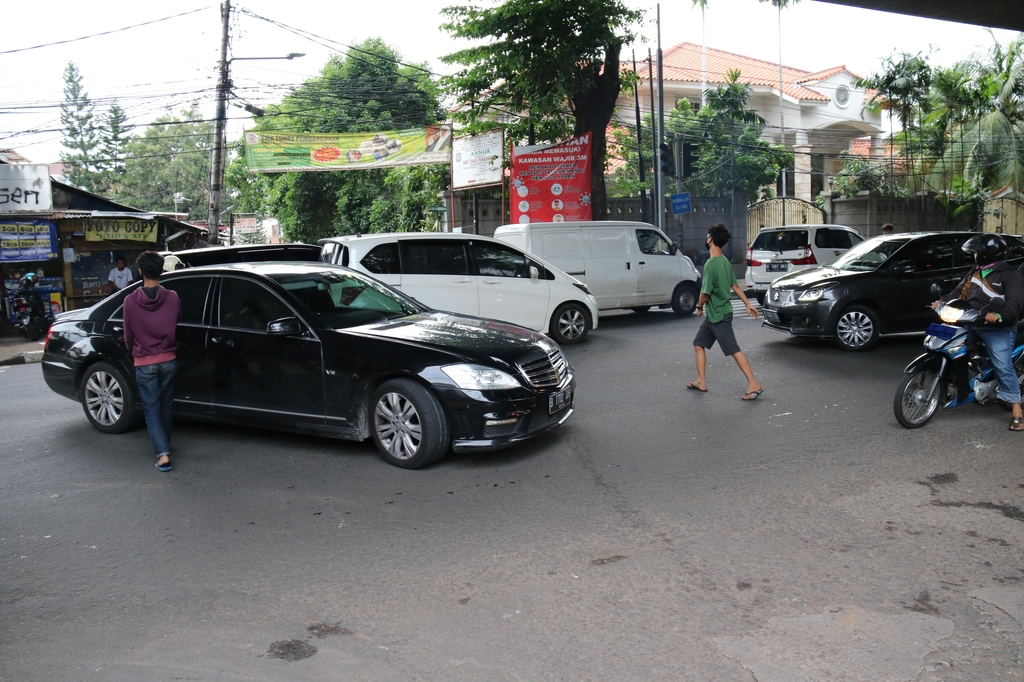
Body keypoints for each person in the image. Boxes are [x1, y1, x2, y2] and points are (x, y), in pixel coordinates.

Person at [937, 234, 1024, 430]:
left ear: (987, 254)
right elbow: (959, 292)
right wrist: (943, 302)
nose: (973, 256)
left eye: (976, 253)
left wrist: (998, 315)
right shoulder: (975, 272)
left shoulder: (1010, 275)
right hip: (972, 321)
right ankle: (960, 387)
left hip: (998, 327)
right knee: (949, 346)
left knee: (1002, 365)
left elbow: (1015, 305)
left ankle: (1017, 410)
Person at [687, 223, 764, 400]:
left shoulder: (711, 264)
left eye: (708, 235)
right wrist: (747, 304)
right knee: (699, 343)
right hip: (716, 315)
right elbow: (735, 285)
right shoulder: (724, 262)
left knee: (734, 350)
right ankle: (701, 381)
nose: (706, 238)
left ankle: (754, 384)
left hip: (719, 315)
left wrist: (699, 308)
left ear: (711, 239)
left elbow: (704, 293)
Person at [123, 251, 181, 470]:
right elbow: (177, 321)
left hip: (144, 361)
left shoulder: (129, 301)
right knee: (166, 405)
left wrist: (134, 352)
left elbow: (128, 336)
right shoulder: (173, 297)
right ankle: (164, 444)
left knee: (152, 408)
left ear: (140, 272)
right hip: (168, 360)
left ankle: (163, 453)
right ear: (161, 270)